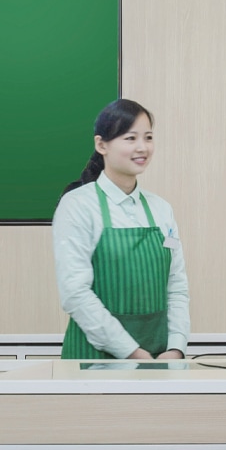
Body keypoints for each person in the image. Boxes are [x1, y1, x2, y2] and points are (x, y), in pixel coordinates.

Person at [53, 99, 189, 361]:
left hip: (159, 358)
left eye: (148, 137)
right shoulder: (78, 205)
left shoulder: (162, 209)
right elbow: (75, 294)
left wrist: (176, 348)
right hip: (92, 362)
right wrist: (132, 352)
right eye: (130, 138)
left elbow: (176, 286)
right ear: (101, 145)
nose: (142, 147)